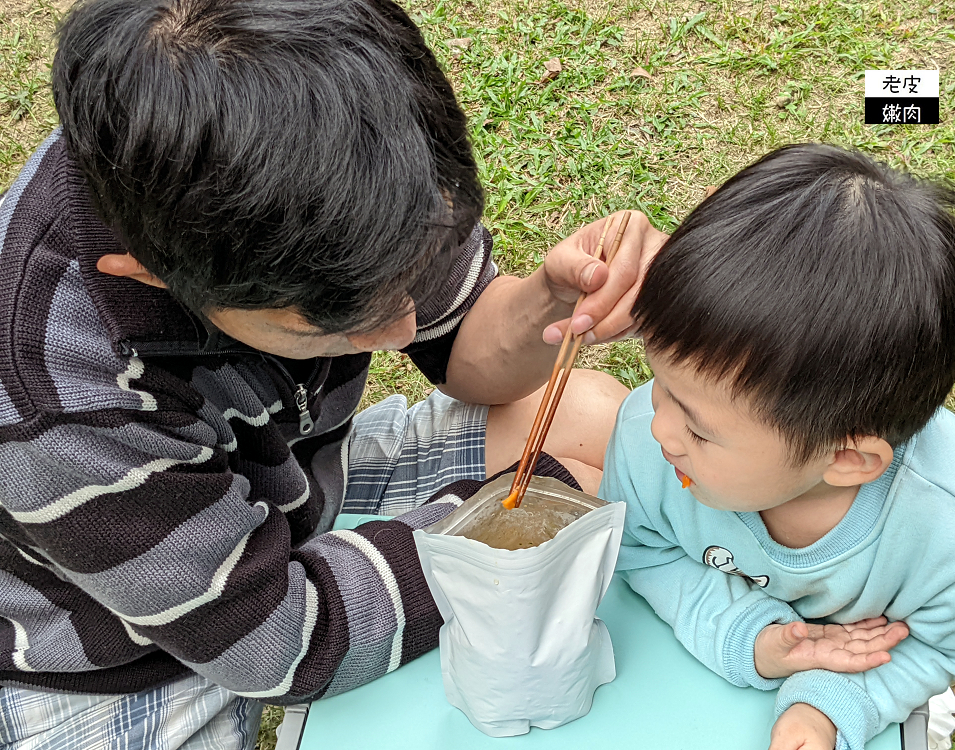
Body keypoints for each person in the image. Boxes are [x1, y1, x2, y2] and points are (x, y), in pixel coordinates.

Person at [0, 0, 666, 746]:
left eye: (412, 280)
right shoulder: (53, 399)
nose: (405, 329)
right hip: (122, 650)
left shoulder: (351, 157)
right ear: (155, 275)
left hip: (294, 480)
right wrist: (499, 529)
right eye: (336, 321)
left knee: (595, 418)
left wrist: (550, 301)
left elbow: (467, 346)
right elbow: (277, 644)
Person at [599, 144, 955, 750]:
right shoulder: (646, 443)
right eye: (661, 384)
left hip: (874, 683)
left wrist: (828, 707)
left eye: (700, 428)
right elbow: (641, 551)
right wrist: (755, 640)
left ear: (847, 460)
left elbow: (939, 645)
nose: (659, 429)